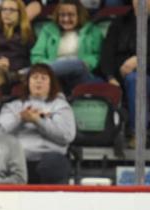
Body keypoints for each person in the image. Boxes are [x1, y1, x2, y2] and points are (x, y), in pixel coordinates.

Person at [0, 63, 75, 184]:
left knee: (50, 165)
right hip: (19, 159)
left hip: (50, 158)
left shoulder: (60, 106)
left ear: (51, 84)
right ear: (28, 82)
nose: (39, 81)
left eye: (43, 78)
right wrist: (21, 119)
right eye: (35, 78)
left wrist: (39, 121)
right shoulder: (13, 106)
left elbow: (66, 136)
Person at [99, 0, 150, 144]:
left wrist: (141, 60)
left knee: (136, 79)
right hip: (119, 76)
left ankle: (138, 133)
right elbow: (106, 54)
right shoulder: (119, 23)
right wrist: (110, 77)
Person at [30, 0, 103, 95]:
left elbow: (97, 55)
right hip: (54, 78)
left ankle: (25, 74)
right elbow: (36, 55)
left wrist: (88, 63)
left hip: (82, 76)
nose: (66, 19)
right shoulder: (48, 30)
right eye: (62, 15)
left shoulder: (92, 31)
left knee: (75, 63)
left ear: (79, 15)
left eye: (71, 15)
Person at [0, 0, 34, 94]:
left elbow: (30, 60)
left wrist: (12, 66)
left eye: (11, 10)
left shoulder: (27, 35)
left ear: (20, 13)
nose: (7, 13)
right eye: (4, 9)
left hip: (18, 73)